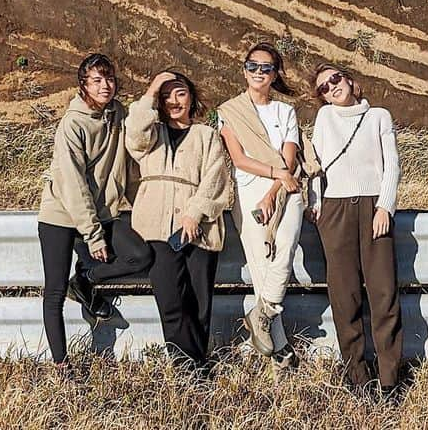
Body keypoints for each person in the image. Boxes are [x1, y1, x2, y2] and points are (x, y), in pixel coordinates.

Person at [37, 53, 153, 369]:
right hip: (61, 214)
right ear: (83, 85)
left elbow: (128, 168)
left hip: (102, 212)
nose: (106, 85)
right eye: (97, 80)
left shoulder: (118, 114)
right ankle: (61, 364)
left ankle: (86, 280)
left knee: (140, 256)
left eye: (110, 79)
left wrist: (145, 206)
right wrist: (94, 236)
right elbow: (73, 184)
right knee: (55, 291)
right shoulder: (72, 125)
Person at [125, 69, 231, 368]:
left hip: (199, 228)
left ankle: (195, 368)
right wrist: (151, 88)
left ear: (192, 98)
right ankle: (187, 365)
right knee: (170, 301)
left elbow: (216, 179)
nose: (174, 100)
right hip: (154, 227)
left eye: (180, 93)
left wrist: (193, 213)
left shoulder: (206, 135)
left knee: (198, 303)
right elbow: (133, 134)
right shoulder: (150, 134)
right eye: (166, 94)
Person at [308, 62, 401, 395]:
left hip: (373, 206)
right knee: (345, 297)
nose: (331, 87)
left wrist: (384, 207)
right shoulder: (324, 119)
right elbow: (316, 166)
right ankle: (357, 378)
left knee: (383, 294)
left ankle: (389, 379)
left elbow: (391, 165)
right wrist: (315, 204)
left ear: (348, 79)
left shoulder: (378, 116)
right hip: (334, 210)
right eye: (323, 87)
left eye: (335, 79)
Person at [218, 42, 310, 369]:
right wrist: (274, 179)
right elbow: (240, 159)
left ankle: (263, 313)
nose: (259, 72)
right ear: (244, 70)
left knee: (284, 253)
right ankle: (280, 355)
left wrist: (274, 190)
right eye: (253, 66)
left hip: (285, 188)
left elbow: (289, 156)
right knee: (262, 269)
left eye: (266, 68)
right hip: (250, 189)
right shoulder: (229, 111)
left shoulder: (285, 111)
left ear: (275, 74)